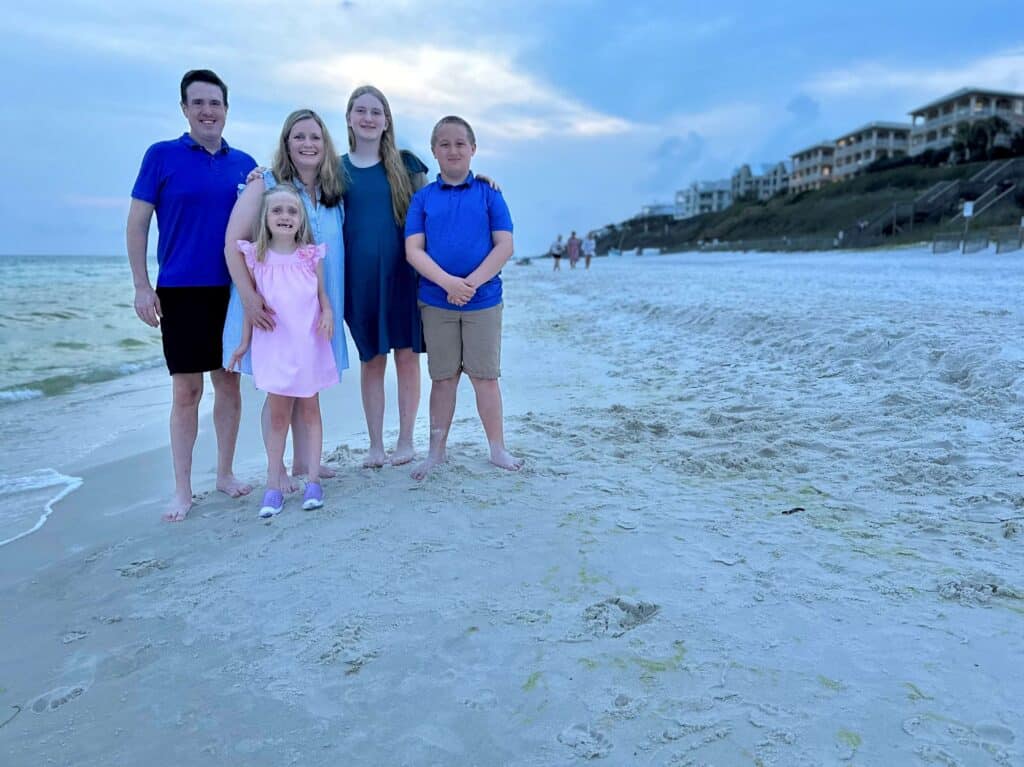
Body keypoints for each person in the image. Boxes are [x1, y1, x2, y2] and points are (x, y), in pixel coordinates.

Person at [127, 69, 256, 522]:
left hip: (233, 290)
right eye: (198, 103)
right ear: (184, 109)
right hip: (180, 289)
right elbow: (138, 222)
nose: (207, 111)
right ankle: (182, 489)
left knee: (228, 383)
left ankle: (224, 474)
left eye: (215, 103)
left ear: (226, 110)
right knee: (186, 389)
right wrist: (142, 285)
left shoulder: (246, 165)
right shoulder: (161, 156)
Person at [222, 109, 348, 491]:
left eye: (315, 137)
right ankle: (275, 469)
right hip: (270, 305)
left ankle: (304, 462)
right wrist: (248, 298)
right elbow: (233, 243)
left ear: (325, 144)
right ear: (286, 143)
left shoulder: (332, 192)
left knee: (306, 382)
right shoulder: (265, 184)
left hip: (316, 303)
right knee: (279, 387)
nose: (308, 144)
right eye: (299, 137)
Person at [405, 116, 521, 480]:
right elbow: (413, 250)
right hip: (436, 301)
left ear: (473, 149)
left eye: (460, 143)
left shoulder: (489, 193)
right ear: (434, 151)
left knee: (485, 377)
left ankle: (497, 448)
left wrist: (469, 283)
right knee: (443, 378)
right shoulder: (422, 199)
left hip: (483, 301)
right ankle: (436, 451)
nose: (452, 150)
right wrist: (447, 284)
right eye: (444, 144)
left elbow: (505, 245)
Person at [227, 186, 337, 517]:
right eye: (277, 211)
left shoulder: (310, 255)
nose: (285, 216)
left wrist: (329, 314)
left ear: (301, 218)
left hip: (307, 345)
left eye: (292, 211)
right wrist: (244, 344)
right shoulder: (255, 256)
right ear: (265, 217)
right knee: (277, 416)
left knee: (310, 411)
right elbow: (252, 306)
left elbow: (322, 295)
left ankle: (314, 481)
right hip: (273, 347)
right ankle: (273, 484)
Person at [341, 85, 428, 468]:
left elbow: (435, 206)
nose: (368, 118)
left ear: (387, 120)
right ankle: (376, 446)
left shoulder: (407, 165)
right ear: (349, 118)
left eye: (376, 111)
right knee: (372, 360)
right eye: (360, 110)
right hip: (358, 281)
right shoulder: (335, 169)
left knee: (408, 359)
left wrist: (482, 181)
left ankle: (406, 441)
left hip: (404, 275)